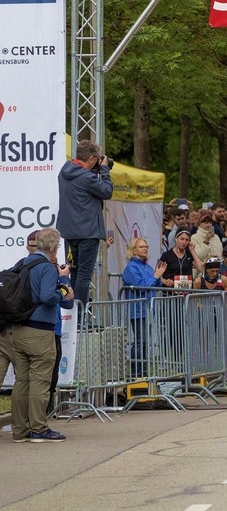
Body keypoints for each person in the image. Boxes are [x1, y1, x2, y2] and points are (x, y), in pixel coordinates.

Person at [11, 228, 71, 443]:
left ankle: (19, 430)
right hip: (39, 330)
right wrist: (62, 291)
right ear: (54, 248)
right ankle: (38, 428)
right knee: (40, 381)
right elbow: (47, 296)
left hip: (19, 328)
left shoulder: (24, 263)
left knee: (22, 381)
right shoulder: (47, 267)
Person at [56, 139, 113, 310]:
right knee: (83, 275)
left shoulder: (64, 171)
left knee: (72, 272)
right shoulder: (86, 177)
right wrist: (104, 169)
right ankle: (80, 317)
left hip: (69, 231)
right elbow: (107, 191)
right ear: (91, 159)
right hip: (87, 231)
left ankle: (71, 313)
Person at [120, 237, 166, 378]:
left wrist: (160, 278)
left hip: (148, 309)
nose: (145, 248)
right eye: (141, 247)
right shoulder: (131, 267)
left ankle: (143, 370)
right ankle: (135, 372)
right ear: (134, 250)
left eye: (146, 246)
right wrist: (155, 276)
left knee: (145, 341)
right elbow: (141, 285)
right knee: (140, 341)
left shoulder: (148, 266)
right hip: (137, 309)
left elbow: (155, 286)